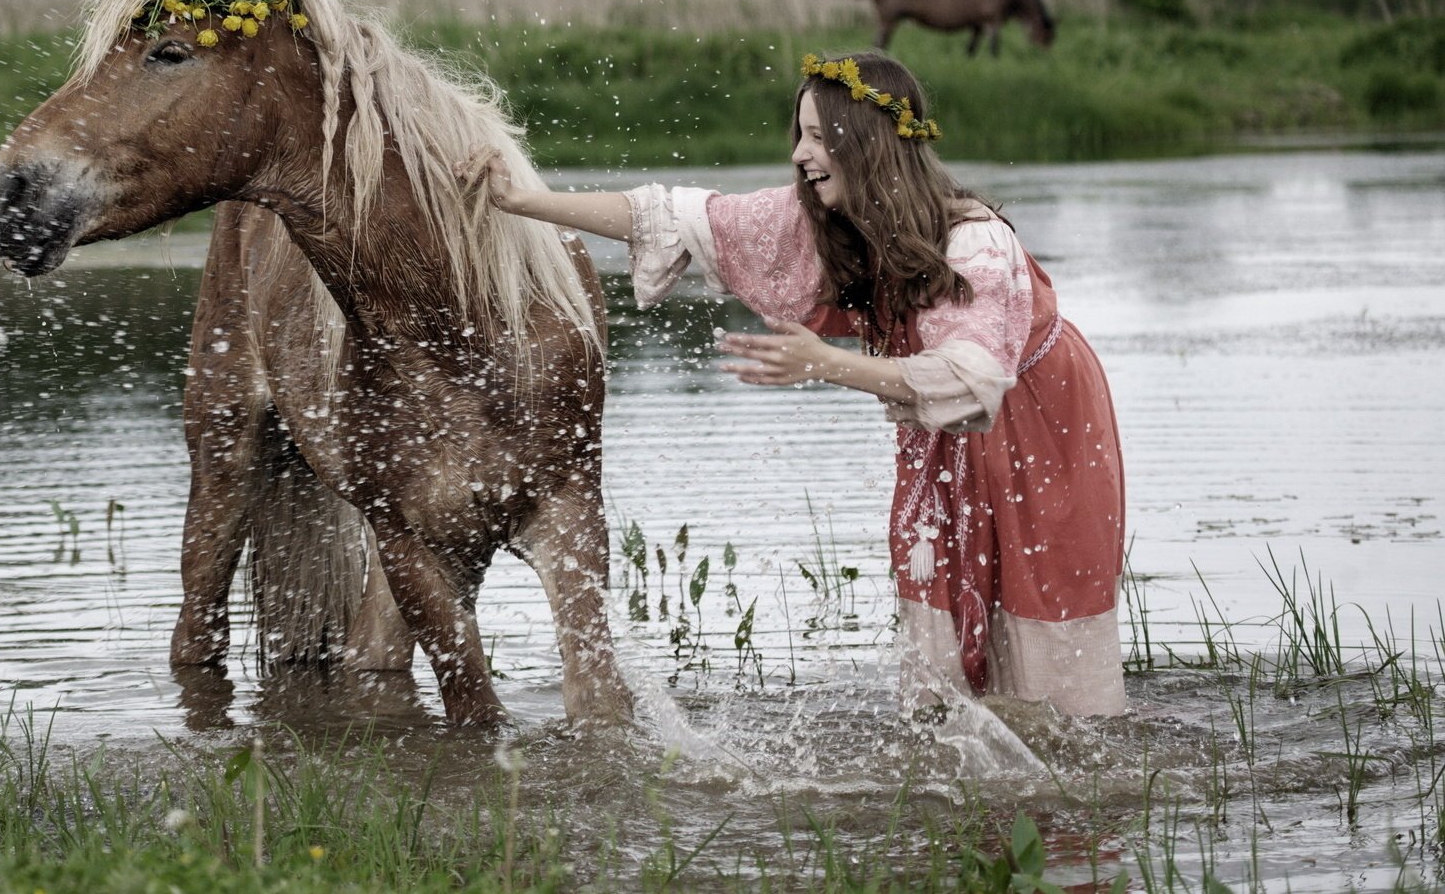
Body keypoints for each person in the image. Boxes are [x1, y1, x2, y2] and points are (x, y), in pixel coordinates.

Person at [466, 51, 1126, 717]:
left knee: (1040, 600)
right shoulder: (821, 216)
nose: (802, 156)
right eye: (800, 135)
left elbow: (972, 384)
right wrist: (519, 200)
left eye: (819, 138)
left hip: (1040, 414)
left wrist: (823, 364)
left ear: (864, 145)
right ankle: (958, 741)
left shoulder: (975, 243)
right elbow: (670, 215)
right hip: (938, 423)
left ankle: (1068, 753)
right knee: (937, 588)